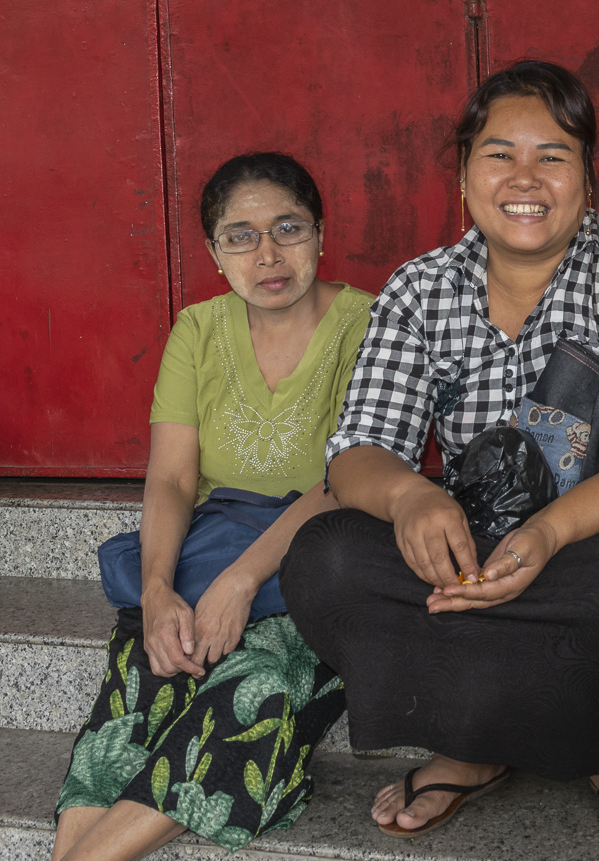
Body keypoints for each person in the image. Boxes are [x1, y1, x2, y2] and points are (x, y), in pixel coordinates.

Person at [279, 60, 599, 844]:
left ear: (586, 177)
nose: (524, 178)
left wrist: (548, 532)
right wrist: (411, 498)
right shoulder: (420, 288)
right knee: (327, 557)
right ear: (463, 176)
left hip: (588, 550)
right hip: (463, 551)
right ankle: (470, 744)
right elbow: (357, 451)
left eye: (552, 155)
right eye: (499, 155)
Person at [53, 152, 372, 860]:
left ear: (320, 234)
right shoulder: (197, 330)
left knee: (254, 692)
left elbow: (348, 477)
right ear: (214, 252)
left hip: (320, 565)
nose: (268, 254)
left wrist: (242, 581)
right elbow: (170, 479)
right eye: (240, 236)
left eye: (288, 228)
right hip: (207, 554)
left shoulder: (371, 323)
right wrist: (158, 591)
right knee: (136, 691)